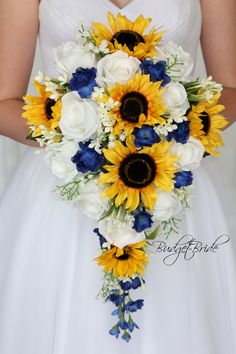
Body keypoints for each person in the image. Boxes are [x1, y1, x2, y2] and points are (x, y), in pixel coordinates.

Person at [0, 0, 236, 353]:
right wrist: (84, 136)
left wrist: (172, 131)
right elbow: (4, 101)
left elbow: (231, 90)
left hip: (174, 183)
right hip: (64, 189)